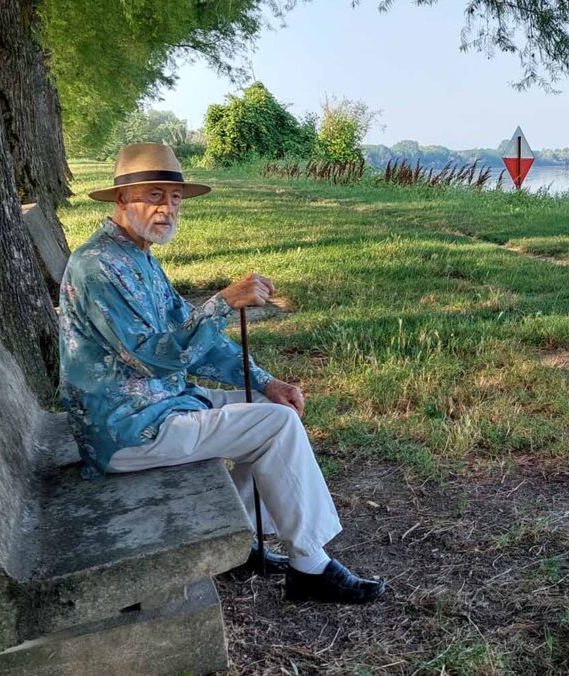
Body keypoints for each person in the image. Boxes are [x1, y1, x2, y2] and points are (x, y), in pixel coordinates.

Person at [58, 143, 385, 604]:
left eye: (174, 199)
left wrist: (266, 380)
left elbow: (198, 342)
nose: (167, 209)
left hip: (160, 406)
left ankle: (242, 544)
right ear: (121, 199)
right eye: (154, 195)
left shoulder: (139, 258)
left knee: (271, 406)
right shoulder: (98, 266)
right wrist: (222, 303)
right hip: (126, 429)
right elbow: (150, 358)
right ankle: (310, 566)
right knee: (276, 425)